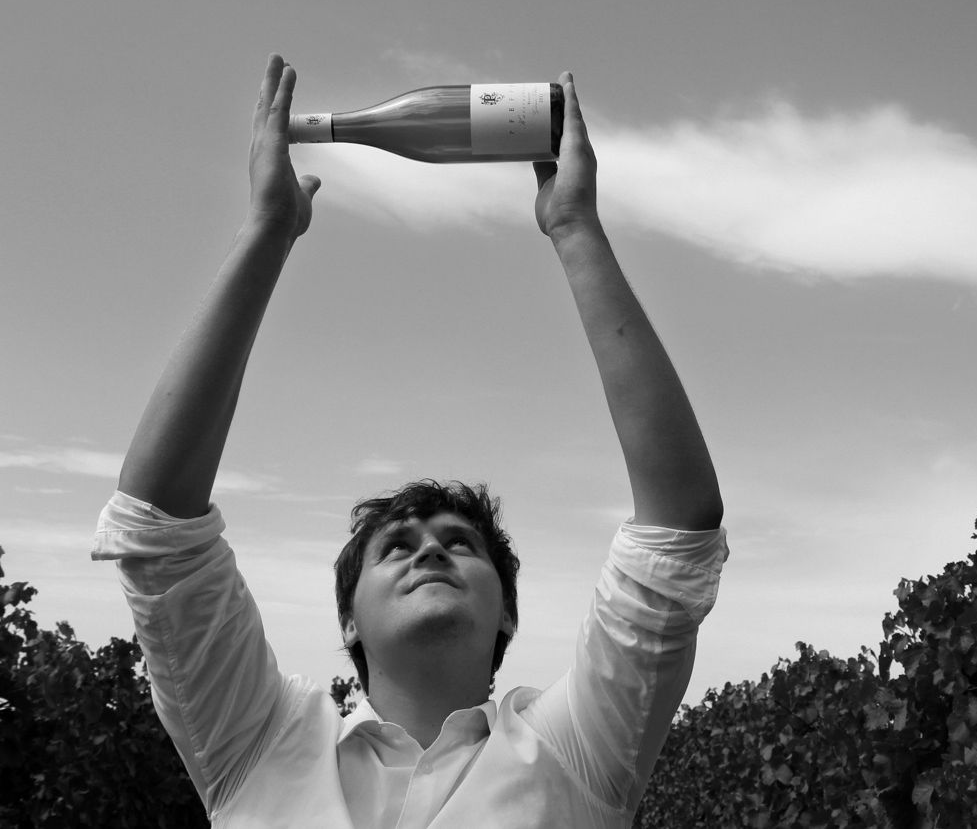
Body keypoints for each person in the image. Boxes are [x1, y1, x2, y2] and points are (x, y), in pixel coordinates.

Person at [93, 54, 726, 828]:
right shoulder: (259, 742)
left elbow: (677, 532)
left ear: (507, 618)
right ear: (348, 620)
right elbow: (154, 524)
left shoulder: (577, 751)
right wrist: (267, 231)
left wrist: (575, 229)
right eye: (398, 545)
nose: (430, 550)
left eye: (461, 543)